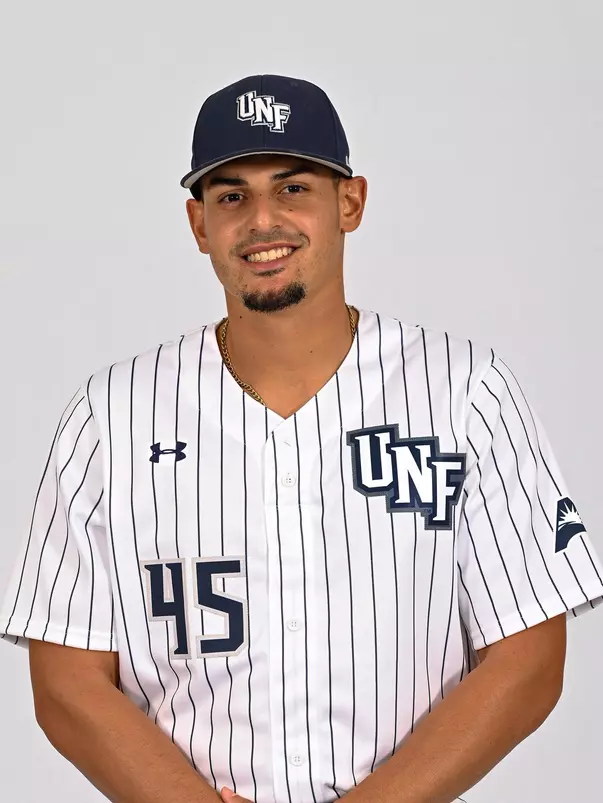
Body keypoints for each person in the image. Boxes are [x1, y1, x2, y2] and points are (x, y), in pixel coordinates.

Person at [0, 73, 602, 803]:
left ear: (349, 202)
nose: (262, 220)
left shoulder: (465, 390)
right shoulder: (110, 416)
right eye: (231, 196)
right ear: (199, 225)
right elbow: (65, 680)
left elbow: (529, 656)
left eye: (292, 188)